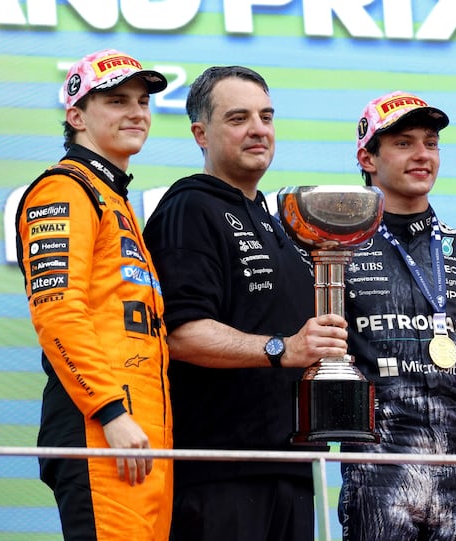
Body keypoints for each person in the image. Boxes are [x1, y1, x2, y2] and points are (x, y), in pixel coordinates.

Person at [142, 66, 349, 541]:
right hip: (218, 473)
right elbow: (180, 335)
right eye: (238, 118)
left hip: (289, 469)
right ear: (201, 134)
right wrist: (283, 349)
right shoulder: (190, 208)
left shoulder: (277, 222)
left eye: (266, 116)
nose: (258, 129)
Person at [337, 91, 456, 541]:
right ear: (367, 158)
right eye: (403, 143)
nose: (422, 155)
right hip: (377, 470)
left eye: (430, 143)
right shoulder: (335, 251)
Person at [14, 49, 172, 540]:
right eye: (117, 101)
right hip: (103, 427)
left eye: (142, 101)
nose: (136, 112)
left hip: (141, 432)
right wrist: (110, 411)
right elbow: (58, 313)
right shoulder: (63, 190)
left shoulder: (112, 196)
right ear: (77, 116)